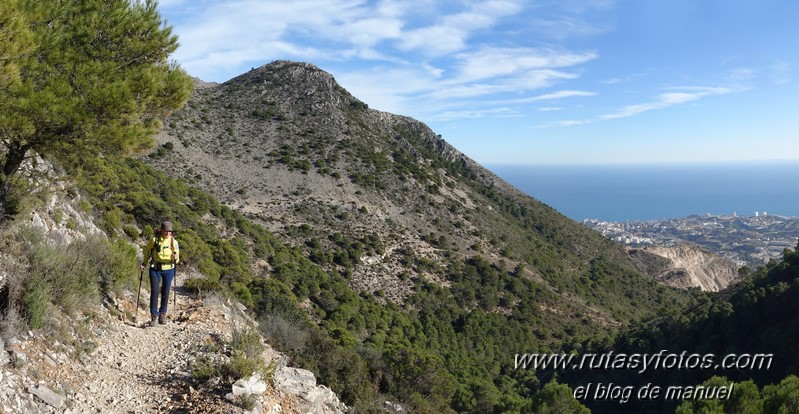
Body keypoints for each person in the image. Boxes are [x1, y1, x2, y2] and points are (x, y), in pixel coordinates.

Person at [141, 221, 180, 327]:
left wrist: (176, 258)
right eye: (166, 230)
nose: (168, 233)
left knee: (165, 291)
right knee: (155, 291)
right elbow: (147, 251)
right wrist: (144, 263)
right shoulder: (155, 240)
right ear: (162, 230)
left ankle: (162, 314)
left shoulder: (174, 242)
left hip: (169, 269)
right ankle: (154, 316)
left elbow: (177, 258)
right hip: (155, 268)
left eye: (170, 231)